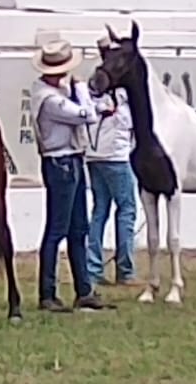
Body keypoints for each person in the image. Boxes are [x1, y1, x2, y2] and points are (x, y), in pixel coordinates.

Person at [29, 37, 112, 313]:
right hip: (60, 162)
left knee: (79, 228)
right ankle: (48, 293)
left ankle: (83, 289)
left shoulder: (52, 92)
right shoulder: (50, 99)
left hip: (70, 159)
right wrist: (82, 91)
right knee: (57, 229)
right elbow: (85, 115)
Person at [86, 38, 138, 287]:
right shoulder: (120, 91)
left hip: (95, 156)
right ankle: (125, 270)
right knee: (127, 210)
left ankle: (93, 268)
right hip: (116, 156)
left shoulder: (93, 87)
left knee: (100, 211)